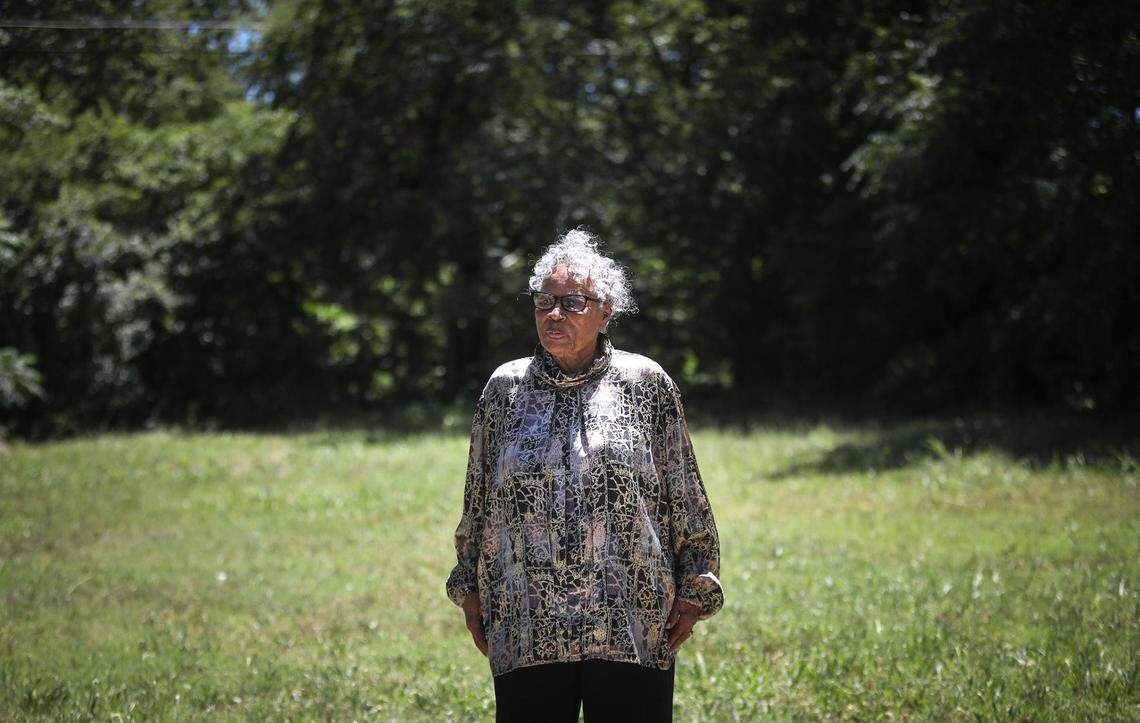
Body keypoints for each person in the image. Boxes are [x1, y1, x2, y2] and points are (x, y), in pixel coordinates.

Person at [445, 229, 724, 722]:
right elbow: (479, 499)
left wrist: (696, 584)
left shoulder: (646, 384)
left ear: (605, 311)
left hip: (632, 620)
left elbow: (685, 495)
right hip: (526, 620)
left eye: (572, 303)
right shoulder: (503, 389)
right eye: (544, 302)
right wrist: (469, 588)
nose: (554, 314)